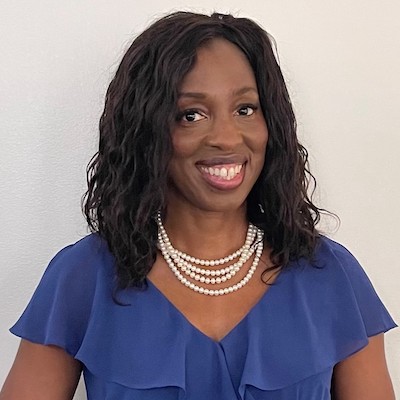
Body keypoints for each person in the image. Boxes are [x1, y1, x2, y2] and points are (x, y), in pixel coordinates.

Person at [0, 11, 396, 400]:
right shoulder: (83, 277)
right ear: (147, 130)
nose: (226, 137)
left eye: (245, 109)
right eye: (191, 115)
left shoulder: (330, 275)